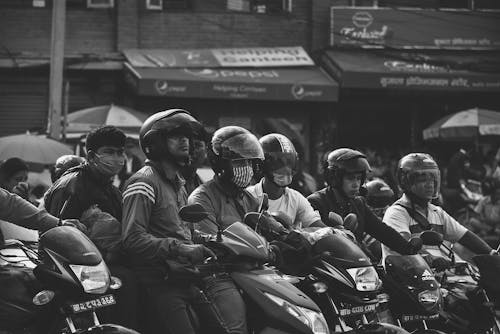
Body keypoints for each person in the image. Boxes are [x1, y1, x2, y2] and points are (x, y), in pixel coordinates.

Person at [122, 109, 243, 334]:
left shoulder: (177, 183)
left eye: (187, 137)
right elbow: (132, 239)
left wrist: (213, 242)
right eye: (177, 136)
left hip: (184, 277)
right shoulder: (144, 183)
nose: (186, 142)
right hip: (159, 282)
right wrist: (181, 248)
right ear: (156, 142)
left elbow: (181, 230)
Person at [43, 125, 138, 330]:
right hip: (80, 271)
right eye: (109, 152)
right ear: (92, 155)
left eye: (120, 152)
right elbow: (59, 235)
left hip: (108, 262)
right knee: (127, 283)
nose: (117, 158)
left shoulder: (111, 189)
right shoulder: (72, 185)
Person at [381, 153, 494, 266]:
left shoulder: (437, 212)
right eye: (422, 179)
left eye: (432, 179)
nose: (430, 185)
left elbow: (465, 237)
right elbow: (405, 246)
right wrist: (431, 259)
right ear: (406, 182)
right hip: (407, 277)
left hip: (436, 278)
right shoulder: (396, 213)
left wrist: (491, 253)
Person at [307, 148, 420, 256]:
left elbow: (382, 231)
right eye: (350, 178)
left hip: (357, 268)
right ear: (335, 178)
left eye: (358, 178)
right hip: (330, 269)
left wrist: (408, 248)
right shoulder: (316, 202)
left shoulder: (358, 204)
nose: (356, 184)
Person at [188, 126, 264, 234]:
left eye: (249, 162)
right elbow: (211, 242)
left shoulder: (250, 199)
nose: (247, 168)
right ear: (220, 164)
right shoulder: (202, 198)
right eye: (239, 162)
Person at [247, 133, 324, 229]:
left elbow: (316, 224)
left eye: (289, 163)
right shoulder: (248, 196)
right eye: (278, 164)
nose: (286, 170)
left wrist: (336, 232)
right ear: (263, 165)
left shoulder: (295, 198)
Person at [181, 127, 210, 195]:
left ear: (206, 150)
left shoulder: (203, 188)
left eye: (197, 145)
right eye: (188, 145)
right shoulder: (163, 183)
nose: (192, 151)